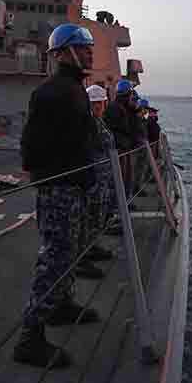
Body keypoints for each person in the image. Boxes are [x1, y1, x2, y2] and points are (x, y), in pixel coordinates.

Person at [14, 23, 100, 368]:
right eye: (82, 46)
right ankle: (29, 338)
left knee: (72, 251)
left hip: (75, 186)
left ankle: (61, 305)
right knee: (55, 258)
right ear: (62, 53)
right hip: (60, 189)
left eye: (90, 46)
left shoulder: (75, 89)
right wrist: (54, 175)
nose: (90, 51)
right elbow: (32, 147)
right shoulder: (52, 92)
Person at [82, 84, 116, 260]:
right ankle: (84, 254)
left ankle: (92, 246)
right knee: (91, 214)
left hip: (100, 177)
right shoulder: (90, 123)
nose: (101, 107)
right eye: (99, 103)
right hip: (93, 177)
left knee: (97, 214)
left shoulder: (97, 121)